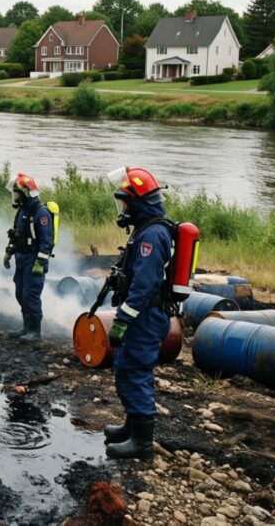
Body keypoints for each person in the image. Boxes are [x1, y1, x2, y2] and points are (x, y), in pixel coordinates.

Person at [102, 166, 173, 460]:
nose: (123, 209)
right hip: (140, 315)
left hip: (145, 316)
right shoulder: (146, 229)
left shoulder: (152, 236)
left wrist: (122, 319)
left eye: (126, 202)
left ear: (140, 202)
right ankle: (131, 426)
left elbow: (143, 286)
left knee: (135, 371)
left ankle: (142, 443)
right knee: (124, 365)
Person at [3, 173, 54, 342]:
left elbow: (47, 241)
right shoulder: (22, 211)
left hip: (33, 260)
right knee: (20, 293)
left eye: (17, 192)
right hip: (21, 258)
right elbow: (16, 235)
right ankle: (26, 328)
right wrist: (9, 251)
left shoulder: (41, 213)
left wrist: (40, 262)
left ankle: (35, 332)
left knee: (30, 295)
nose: (15, 195)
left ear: (25, 193)